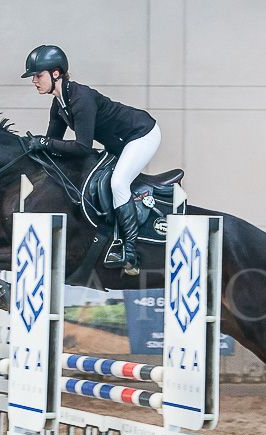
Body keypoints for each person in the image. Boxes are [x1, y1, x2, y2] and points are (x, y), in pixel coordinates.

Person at [22, 44, 160, 275]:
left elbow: (82, 147)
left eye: (38, 75)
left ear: (56, 73)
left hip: (141, 134)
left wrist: (44, 143)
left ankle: (130, 253)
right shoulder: (59, 104)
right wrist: (32, 148)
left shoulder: (81, 98)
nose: (34, 81)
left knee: (118, 183)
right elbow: (52, 142)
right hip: (119, 143)